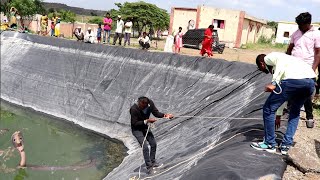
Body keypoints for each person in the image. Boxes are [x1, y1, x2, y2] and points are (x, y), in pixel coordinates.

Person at [251, 52, 316, 155]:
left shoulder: (269, 58)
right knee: (295, 112)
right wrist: (278, 114)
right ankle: (286, 145)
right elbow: (282, 95)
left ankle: (269, 143)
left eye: (261, 68)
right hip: (310, 82)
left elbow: (280, 64)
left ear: (262, 64)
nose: (266, 71)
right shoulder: (290, 63)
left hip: (294, 81)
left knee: (268, 109)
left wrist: (273, 83)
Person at [284, 12, 320, 128]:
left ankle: (309, 117)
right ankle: (289, 111)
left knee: (306, 93)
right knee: (291, 89)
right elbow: (289, 49)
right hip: (294, 66)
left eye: (301, 25)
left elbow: (318, 54)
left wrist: (313, 69)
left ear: (308, 23)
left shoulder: (316, 34)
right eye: (298, 25)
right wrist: (286, 62)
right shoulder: (296, 33)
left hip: (307, 68)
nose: (299, 27)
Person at [130, 97, 174, 174]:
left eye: (145, 106)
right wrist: (146, 121)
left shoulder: (150, 103)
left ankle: (153, 162)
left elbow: (156, 113)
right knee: (145, 147)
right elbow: (135, 123)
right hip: (137, 130)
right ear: (139, 103)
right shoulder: (133, 109)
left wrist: (165, 115)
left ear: (147, 104)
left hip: (145, 128)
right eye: (142, 106)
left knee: (153, 144)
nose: (143, 107)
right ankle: (149, 167)